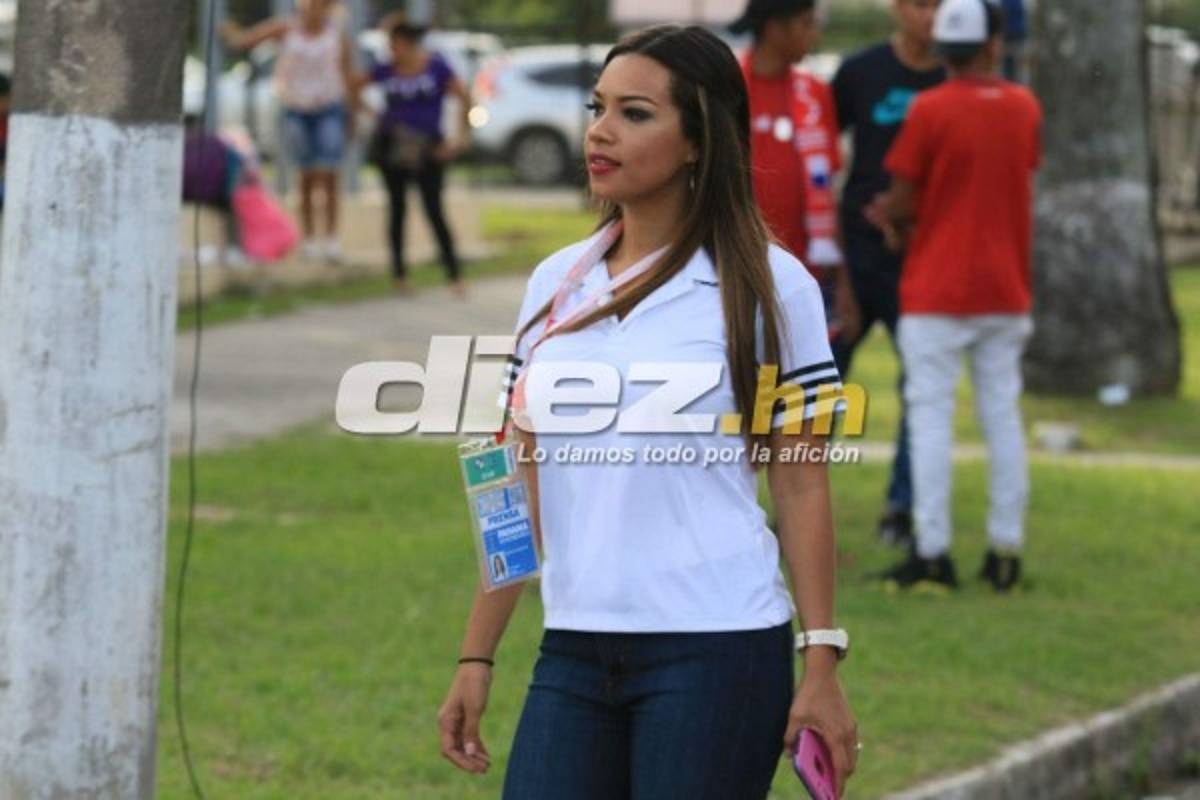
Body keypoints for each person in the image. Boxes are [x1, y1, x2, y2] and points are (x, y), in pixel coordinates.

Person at [437, 25, 858, 799]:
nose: (599, 130)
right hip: (573, 652)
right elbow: (509, 479)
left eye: (635, 113)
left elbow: (800, 483)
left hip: (719, 651)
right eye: (598, 107)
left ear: (698, 139)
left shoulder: (774, 286)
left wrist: (821, 658)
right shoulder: (554, 284)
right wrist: (476, 654)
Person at [866, 0, 1042, 593]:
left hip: (937, 288)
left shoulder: (929, 109)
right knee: (1002, 416)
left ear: (943, 50)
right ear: (992, 47)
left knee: (933, 420)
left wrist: (888, 219)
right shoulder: (1023, 108)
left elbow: (905, 196)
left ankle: (934, 553)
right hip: (1005, 288)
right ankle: (1005, 550)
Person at [830, 0, 944, 548]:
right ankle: (790, 503)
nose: (933, 16)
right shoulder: (861, 73)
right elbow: (823, 159)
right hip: (855, 255)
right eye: (922, 4)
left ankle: (901, 509)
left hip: (924, 260)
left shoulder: (956, 78)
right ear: (898, 8)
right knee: (818, 385)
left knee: (921, 388)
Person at [731, 0, 859, 340]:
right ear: (775, 28)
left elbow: (829, 190)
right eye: (806, 24)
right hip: (737, 268)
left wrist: (843, 281)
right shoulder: (728, 91)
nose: (814, 34)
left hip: (807, 272)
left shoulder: (814, 93)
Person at [224, 0, 355, 264]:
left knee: (329, 174)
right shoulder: (286, 29)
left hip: (328, 107)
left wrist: (351, 113)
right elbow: (244, 41)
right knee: (306, 176)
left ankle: (331, 240)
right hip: (296, 108)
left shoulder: (336, 36)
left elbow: (347, 74)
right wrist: (225, 26)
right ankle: (308, 239)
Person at [359, 14, 469, 298]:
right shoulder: (385, 69)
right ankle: (400, 274)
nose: (391, 50)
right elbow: (353, 86)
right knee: (397, 208)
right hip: (392, 146)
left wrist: (459, 137)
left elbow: (465, 96)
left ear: (407, 43)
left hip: (428, 147)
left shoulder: (436, 68)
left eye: (394, 43)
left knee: (434, 209)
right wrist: (374, 115)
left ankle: (454, 275)